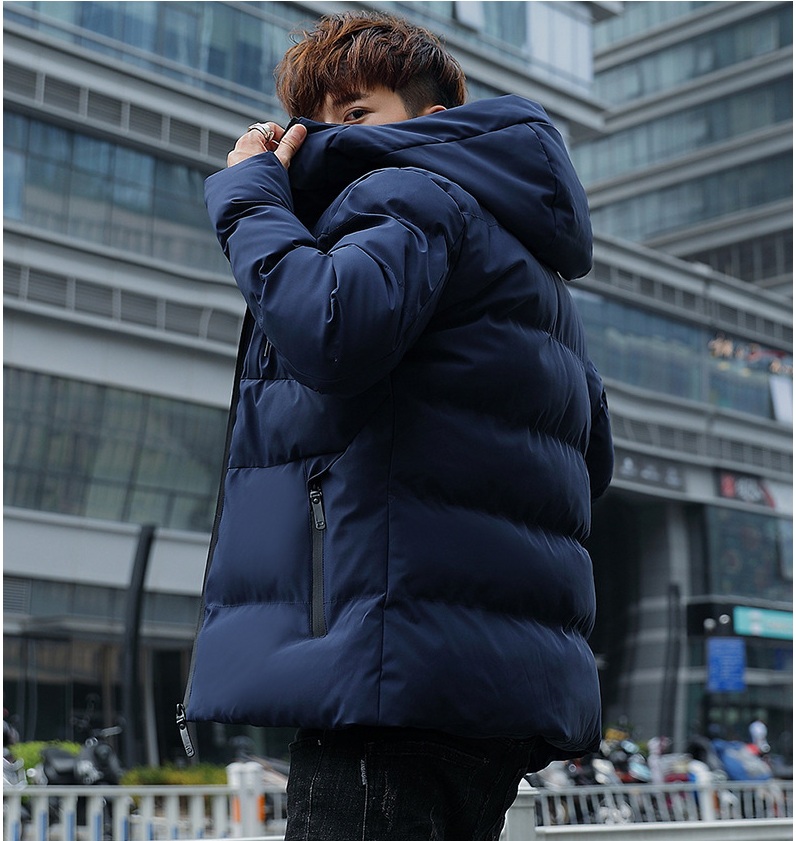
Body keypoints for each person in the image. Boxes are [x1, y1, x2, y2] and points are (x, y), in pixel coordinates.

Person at [179, 11, 613, 840]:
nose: (326, 136)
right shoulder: (532, 267)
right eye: (314, 119)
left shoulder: (409, 191)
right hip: (483, 688)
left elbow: (330, 330)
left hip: (389, 669)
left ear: (432, 121)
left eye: (356, 113)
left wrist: (249, 198)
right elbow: (587, 462)